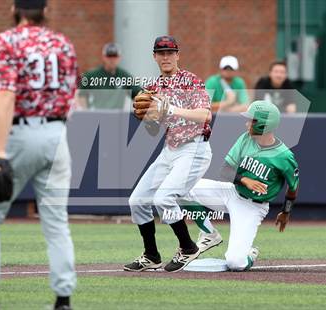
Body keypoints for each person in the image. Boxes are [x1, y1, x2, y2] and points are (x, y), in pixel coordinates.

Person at [0, 1, 77, 309]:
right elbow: (70, 94)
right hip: (57, 134)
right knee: (56, 222)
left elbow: (5, 93)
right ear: (47, 9)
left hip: (22, 132)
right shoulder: (63, 44)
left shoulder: (6, 41)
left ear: (13, 8)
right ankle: (63, 300)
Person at [124, 35, 213, 273]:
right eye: (161, 53)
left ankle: (188, 248)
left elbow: (205, 115)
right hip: (169, 150)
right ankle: (151, 256)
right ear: (154, 56)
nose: (166, 57)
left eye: (170, 52)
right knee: (137, 201)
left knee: (163, 198)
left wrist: (170, 108)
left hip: (194, 148)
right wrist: (146, 117)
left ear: (178, 55)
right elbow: (153, 129)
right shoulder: (153, 87)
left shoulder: (190, 80)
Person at [183, 100, 299, 271]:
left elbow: (293, 187)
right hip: (231, 192)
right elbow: (224, 171)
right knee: (180, 188)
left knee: (235, 263)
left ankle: (250, 254)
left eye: (252, 120)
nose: (247, 124)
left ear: (264, 124)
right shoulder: (246, 139)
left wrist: (286, 212)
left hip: (251, 206)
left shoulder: (284, 156)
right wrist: (245, 180)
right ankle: (209, 233)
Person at [77, 42, 142, 110]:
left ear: (119, 57)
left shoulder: (124, 76)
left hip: (117, 117)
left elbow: (139, 95)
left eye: (115, 56)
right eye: (109, 56)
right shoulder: (91, 75)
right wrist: (86, 113)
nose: (112, 60)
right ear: (103, 57)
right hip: (98, 116)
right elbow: (81, 95)